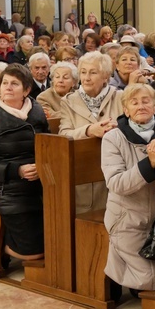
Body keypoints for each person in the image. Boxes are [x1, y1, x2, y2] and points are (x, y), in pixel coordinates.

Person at [101, 84, 155, 294]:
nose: (141, 106)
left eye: (146, 101)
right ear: (126, 110)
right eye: (134, 102)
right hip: (128, 219)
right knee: (151, 282)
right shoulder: (113, 138)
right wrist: (150, 163)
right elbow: (116, 183)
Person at [0, 63, 49, 260]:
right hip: (9, 192)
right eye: (4, 82)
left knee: (55, 240)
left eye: (14, 84)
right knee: (35, 253)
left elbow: (49, 148)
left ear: (26, 90)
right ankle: (0, 249)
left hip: (41, 188)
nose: (7, 87)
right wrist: (18, 171)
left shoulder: (37, 114)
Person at [59, 52, 124, 213]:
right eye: (83, 72)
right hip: (83, 179)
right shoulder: (68, 101)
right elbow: (63, 135)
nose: (86, 78)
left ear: (106, 76)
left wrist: (118, 129)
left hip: (114, 178)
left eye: (93, 72)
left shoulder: (121, 97)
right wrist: (89, 130)